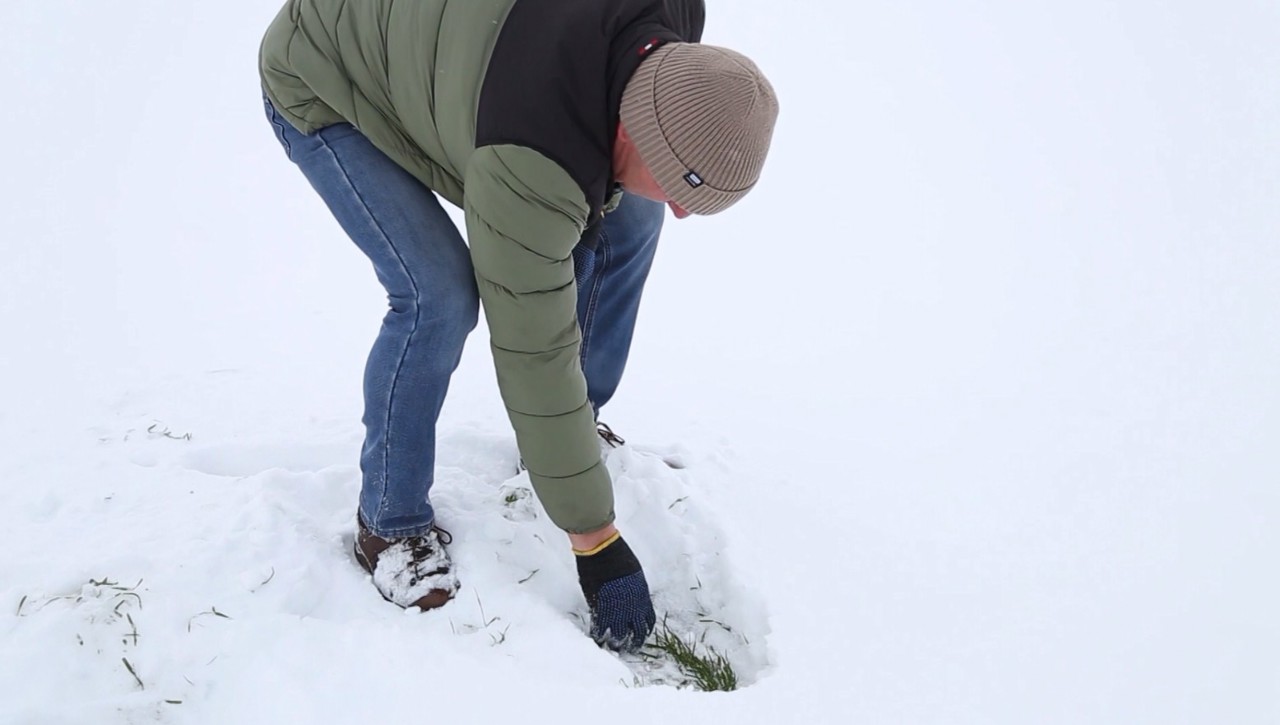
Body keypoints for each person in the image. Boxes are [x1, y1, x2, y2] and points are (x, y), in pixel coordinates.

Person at [258, 0, 778, 651]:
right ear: (635, 129)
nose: (681, 209)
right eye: (679, 185)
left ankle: (568, 432)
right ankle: (388, 524)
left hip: (446, 54)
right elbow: (534, 349)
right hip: (327, 71)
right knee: (437, 295)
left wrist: (565, 453)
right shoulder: (531, 159)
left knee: (633, 216)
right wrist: (597, 540)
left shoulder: (669, 16)